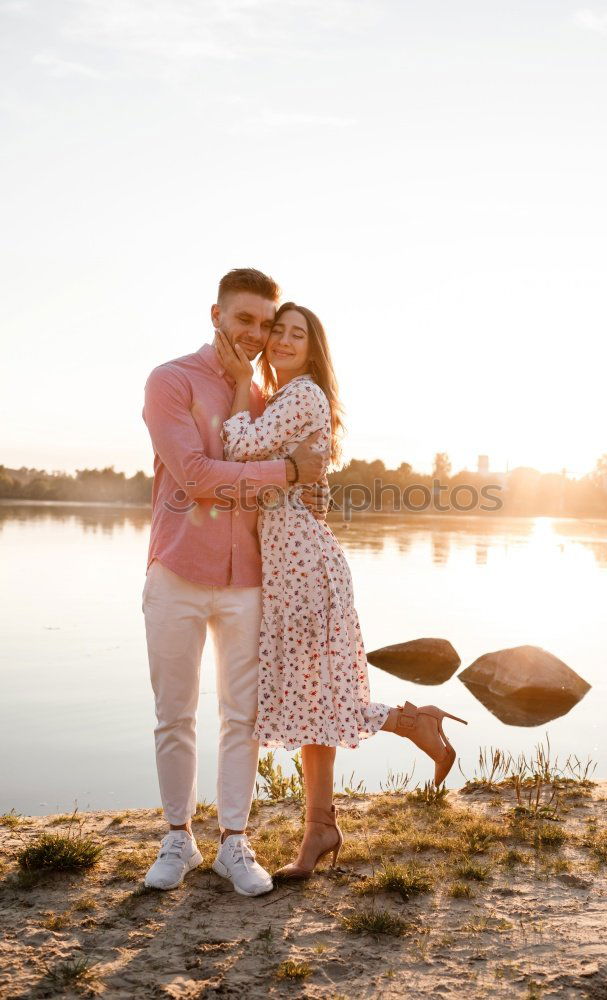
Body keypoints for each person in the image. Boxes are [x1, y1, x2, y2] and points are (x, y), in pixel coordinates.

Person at [215, 301, 467, 880]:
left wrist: (237, 381)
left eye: (294, 335)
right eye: (277, 331)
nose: (280, 340)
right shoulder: (287, 399)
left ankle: (408, 728)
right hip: (293, 564)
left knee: (315, 701)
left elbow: (235, 450)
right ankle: (324, 823)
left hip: (305, 565)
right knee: (311, 700)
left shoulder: (301, 394)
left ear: (311, 350)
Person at [141, 269, 329, 897]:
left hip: (251, 578)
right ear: (216, 314)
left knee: (242, 716)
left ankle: (233, 842)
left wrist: (309, 480)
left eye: (265, 324)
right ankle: (176, 836)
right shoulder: (170, 381)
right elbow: (194, 476)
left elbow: (310, 467)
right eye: (244, 320)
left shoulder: (268, 396)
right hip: (177, 569)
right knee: (175, 713)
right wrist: (289, 470)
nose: (255, 334)